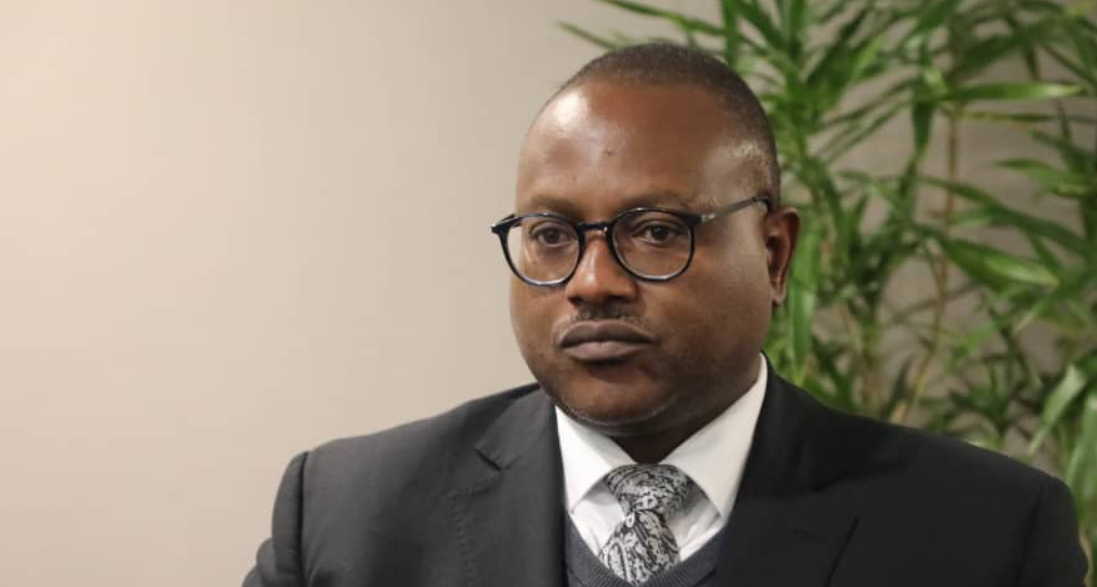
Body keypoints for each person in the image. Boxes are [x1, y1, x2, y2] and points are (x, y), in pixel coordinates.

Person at [243, 43, 1088, 587]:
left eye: (653, 232)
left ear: (773, 254)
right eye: (551, 235)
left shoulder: (984, 535)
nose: (591, 282)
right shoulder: (347, 515)